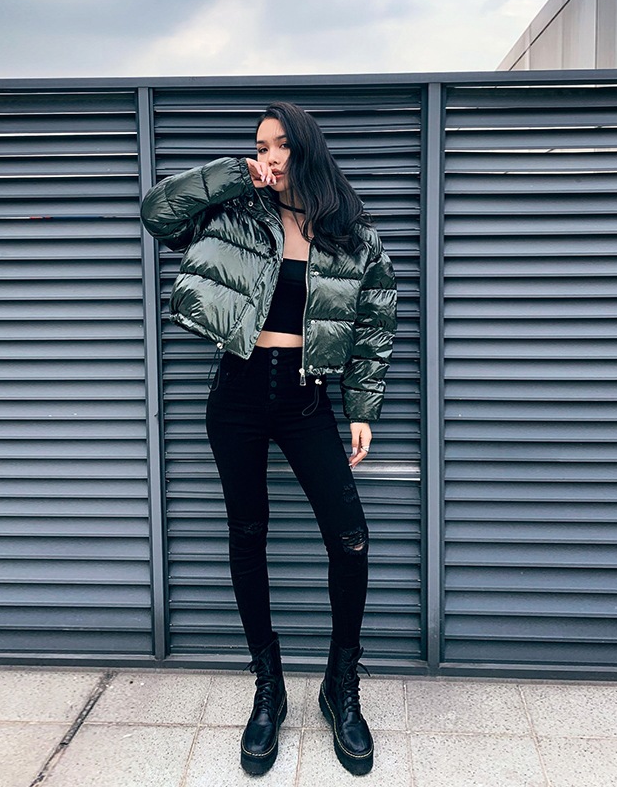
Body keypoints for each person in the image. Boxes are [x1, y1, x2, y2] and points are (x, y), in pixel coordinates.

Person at [140, 101, 397, 776]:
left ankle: (340, 684)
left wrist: (362, 406)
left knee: (350, 536)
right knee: (247, 532)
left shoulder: (350, 235)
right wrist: (232, 174)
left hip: (307, 398)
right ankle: (268, 684)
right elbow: (157, 213)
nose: (270, 157)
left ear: (306, 150)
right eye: (260, 146)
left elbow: (374, 325)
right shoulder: (236, 215)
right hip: (238, 393)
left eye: (281, 145)